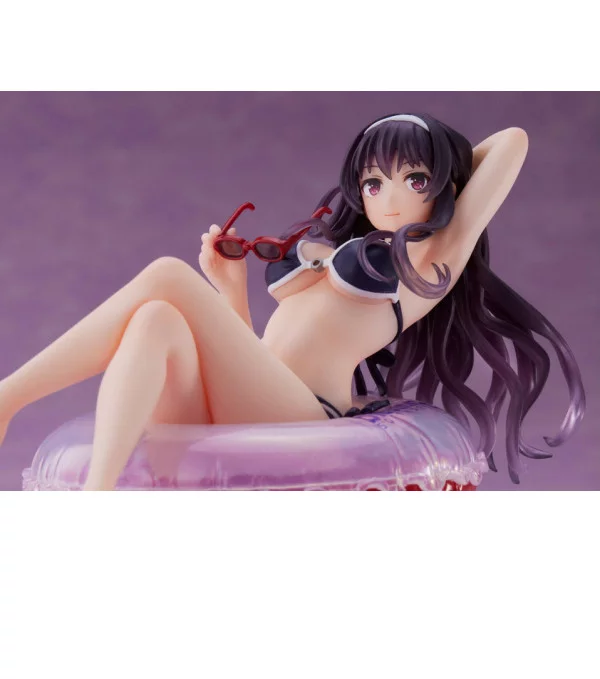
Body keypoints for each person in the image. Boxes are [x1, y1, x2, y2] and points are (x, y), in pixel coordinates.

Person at [0, 113, 585, 489]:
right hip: (258, 403)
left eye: (414, 180)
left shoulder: (431, 260)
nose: (389, 197)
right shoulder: (338, 250)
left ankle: (9, 396)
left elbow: (511, 142)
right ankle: (97, 502)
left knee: (166, 276)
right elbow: (258, 359)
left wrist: (441, 162)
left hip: (306, 417)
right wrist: (229, 286)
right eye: (374, 182)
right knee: (155, 318)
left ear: (446, 189)